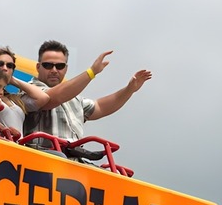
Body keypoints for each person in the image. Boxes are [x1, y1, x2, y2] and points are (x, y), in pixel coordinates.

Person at [23, 40, 152, 142]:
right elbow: (52, 98)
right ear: (38, 67)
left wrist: (129, 90)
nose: (54, 70)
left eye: (60, 66)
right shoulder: (28, 90)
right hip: (42, 161)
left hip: (71, 163)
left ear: (66, 69)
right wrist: (91, 72)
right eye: (48, 65)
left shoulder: (75, 99)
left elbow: (100, 107)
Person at [0, 47, 50, 135]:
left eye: (10, 66)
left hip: (17, 146)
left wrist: (11, 80)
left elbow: (43, 98)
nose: (5, 68)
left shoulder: (14, 99)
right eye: (0, 64)